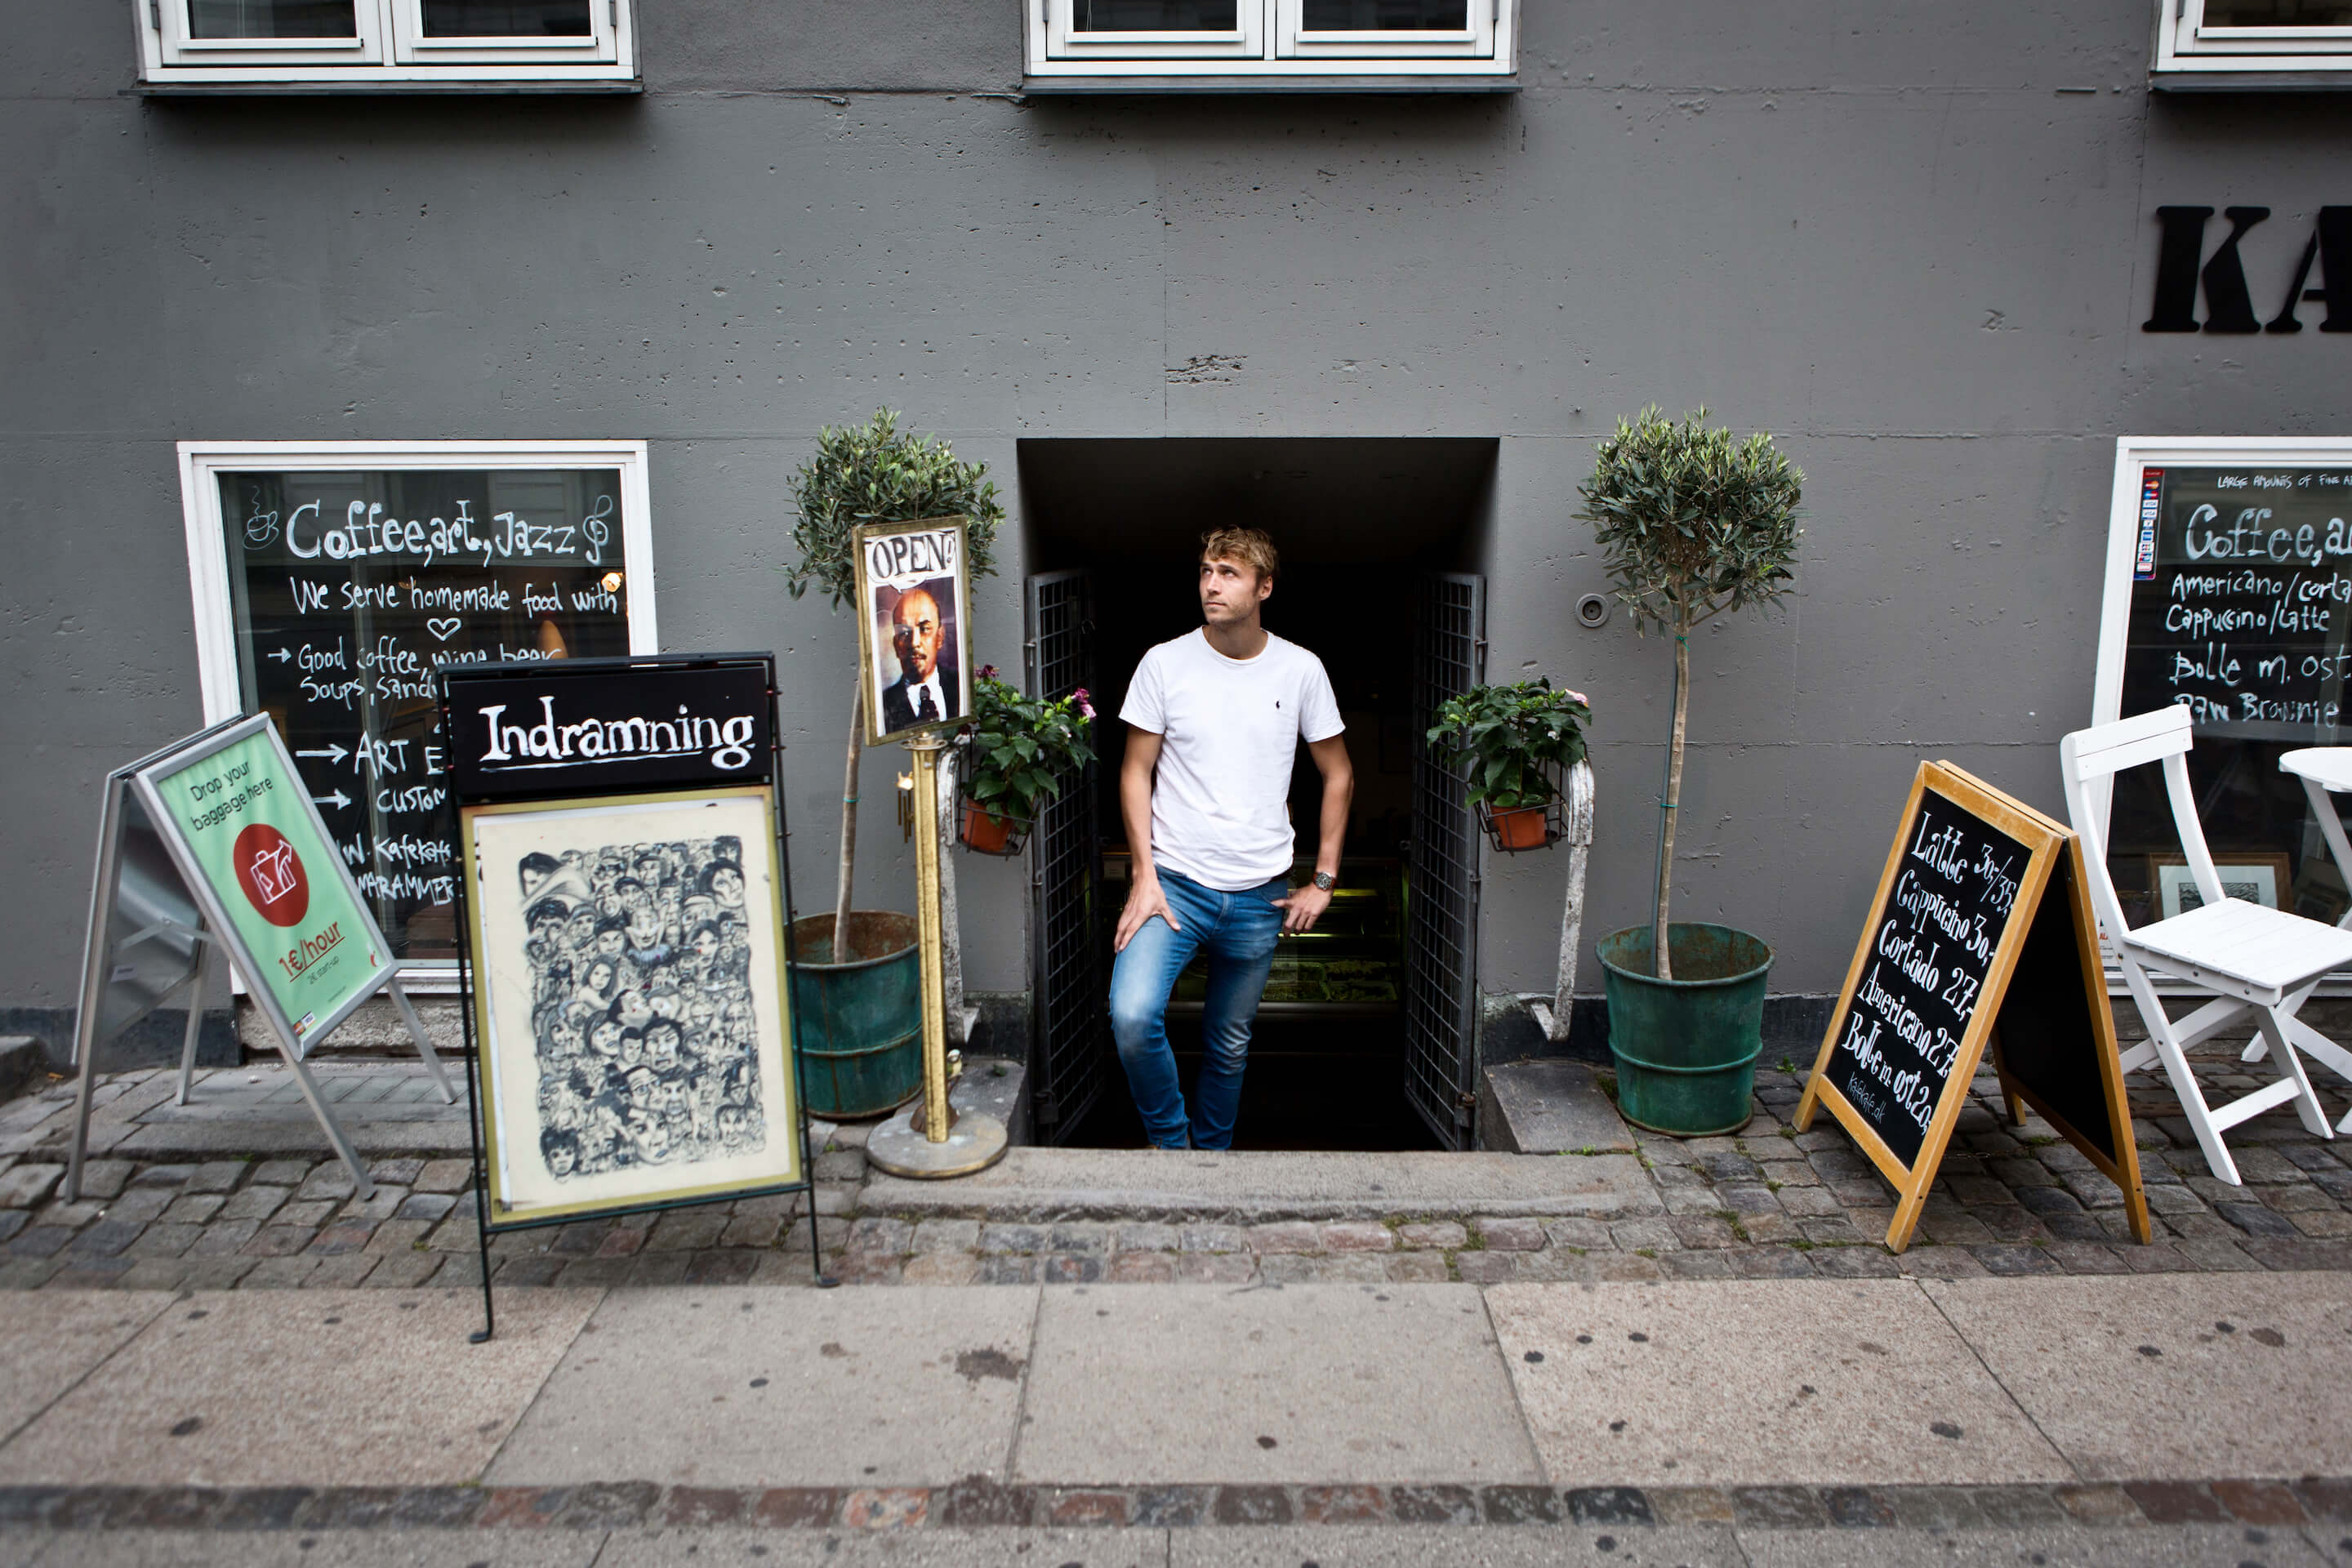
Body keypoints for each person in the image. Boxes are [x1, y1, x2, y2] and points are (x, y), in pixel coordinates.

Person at [1108, 527, 1352, 1151]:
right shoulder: (1164, 663)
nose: (1211, 585)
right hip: (1174, 888)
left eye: (1228, 573)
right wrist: (1144, 874)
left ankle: (1212, 1162)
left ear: (1264, 587)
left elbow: (1339, 773)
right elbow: (1135, 770)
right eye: (1206, 571)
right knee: (1132, 1017)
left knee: (1229, 1044)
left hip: (1260, 896)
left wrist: (1324, 880)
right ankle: (1173, 1149)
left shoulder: (1300, 670)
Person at [879, 586, 958, 730]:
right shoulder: (883, 704)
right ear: (896, 645)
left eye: (924, 629)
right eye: (904, 632)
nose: (914, 642)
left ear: (940, 637)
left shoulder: (960, 685)